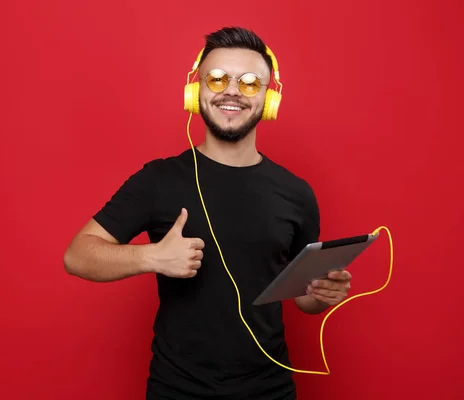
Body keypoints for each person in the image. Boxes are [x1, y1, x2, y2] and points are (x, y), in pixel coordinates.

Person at [64, 26, 353, 400]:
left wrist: (324, 292)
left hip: (270, 390)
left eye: (249, 83)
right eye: (217, 79)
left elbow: (304, 299)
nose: (232, 90)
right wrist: (150, 256)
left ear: (269, 99)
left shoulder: (297, 193)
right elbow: (77, 255)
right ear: (195, 90)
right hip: (177, 390)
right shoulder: (158, 180)